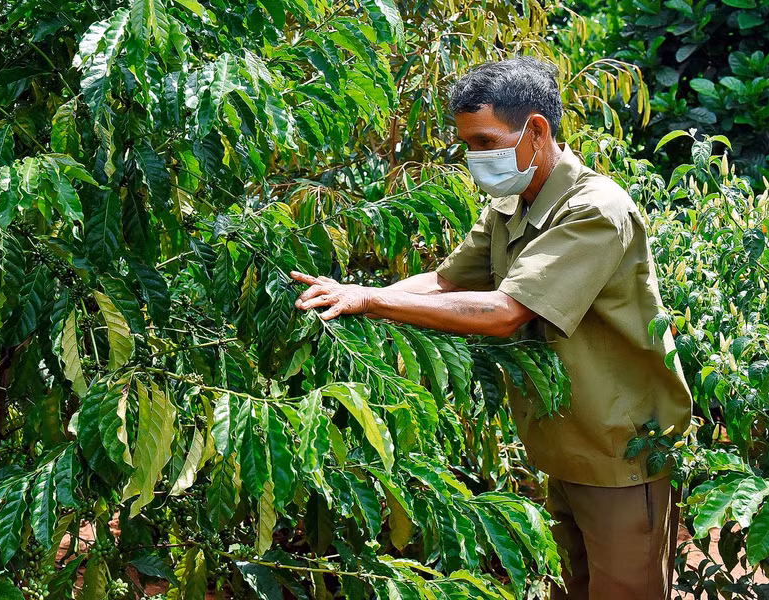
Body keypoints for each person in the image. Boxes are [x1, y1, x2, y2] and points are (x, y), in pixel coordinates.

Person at [290, 56, 693, 600]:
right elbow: (446, 281)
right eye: (468, 144)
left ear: (536, 131)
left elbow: (506, 311)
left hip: (620, 451)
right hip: (564, 445)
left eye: (484, 142)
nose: (474, 157)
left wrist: (369, 301)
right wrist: (345, 294)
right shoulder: (511, 203)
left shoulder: (595, 210)